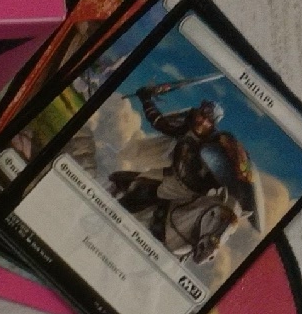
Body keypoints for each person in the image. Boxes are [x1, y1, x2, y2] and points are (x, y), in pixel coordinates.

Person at [108, 85, 256, 266]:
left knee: (202, 223)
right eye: (202, 115)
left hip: (196, 193)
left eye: (208, 120)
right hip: (172, 178)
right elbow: (159, 122)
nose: (202, 121)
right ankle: (112, 216)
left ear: (213, 124)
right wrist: (146, 99)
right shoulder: (186, 125)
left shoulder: (219, 144)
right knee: (138, 189)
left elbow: (232, 169)